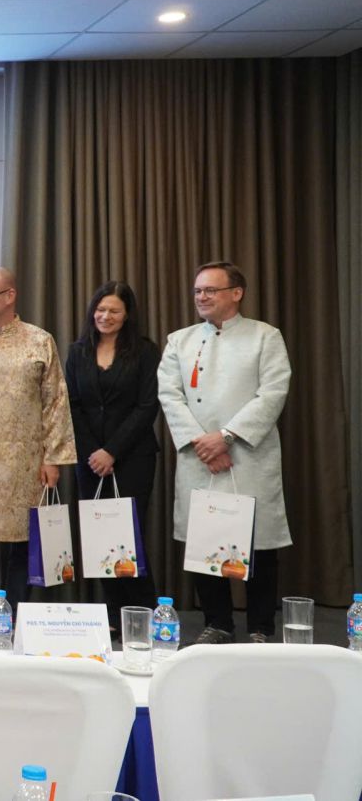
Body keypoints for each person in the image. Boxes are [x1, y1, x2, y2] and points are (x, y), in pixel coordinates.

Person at [158, 262, 291, 643]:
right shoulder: (180, 341)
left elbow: (273, 393)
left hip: (248, 454)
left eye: (210, 290)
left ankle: (261, 627)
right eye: (198, 290)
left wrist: (227, 436)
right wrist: (203, 442)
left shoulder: (265, 337)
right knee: (204, 539)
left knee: (258, 544)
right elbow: (169, 395)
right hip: (199, 455)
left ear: (236, 293)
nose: (202, 297)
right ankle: (217, 623)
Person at [0, 267, 76, 642]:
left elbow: (55, 402)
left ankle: (15, 612)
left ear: (10, 296)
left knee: (21, 541)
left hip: (26, 458)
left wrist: (53, 457)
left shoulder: (39, 341)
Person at [65, 282, 160, 634]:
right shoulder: (78, 351)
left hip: (133, 457)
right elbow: (72, 404)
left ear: (127, 314)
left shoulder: (145, 351)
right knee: (100, 537)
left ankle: (144, 613)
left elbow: (147, 406)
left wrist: (112, 451)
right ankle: (115, 616)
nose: (105, 316)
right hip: (89, 459)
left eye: (114, 311)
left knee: (128, 537)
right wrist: (94, 451)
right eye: (100, 309)